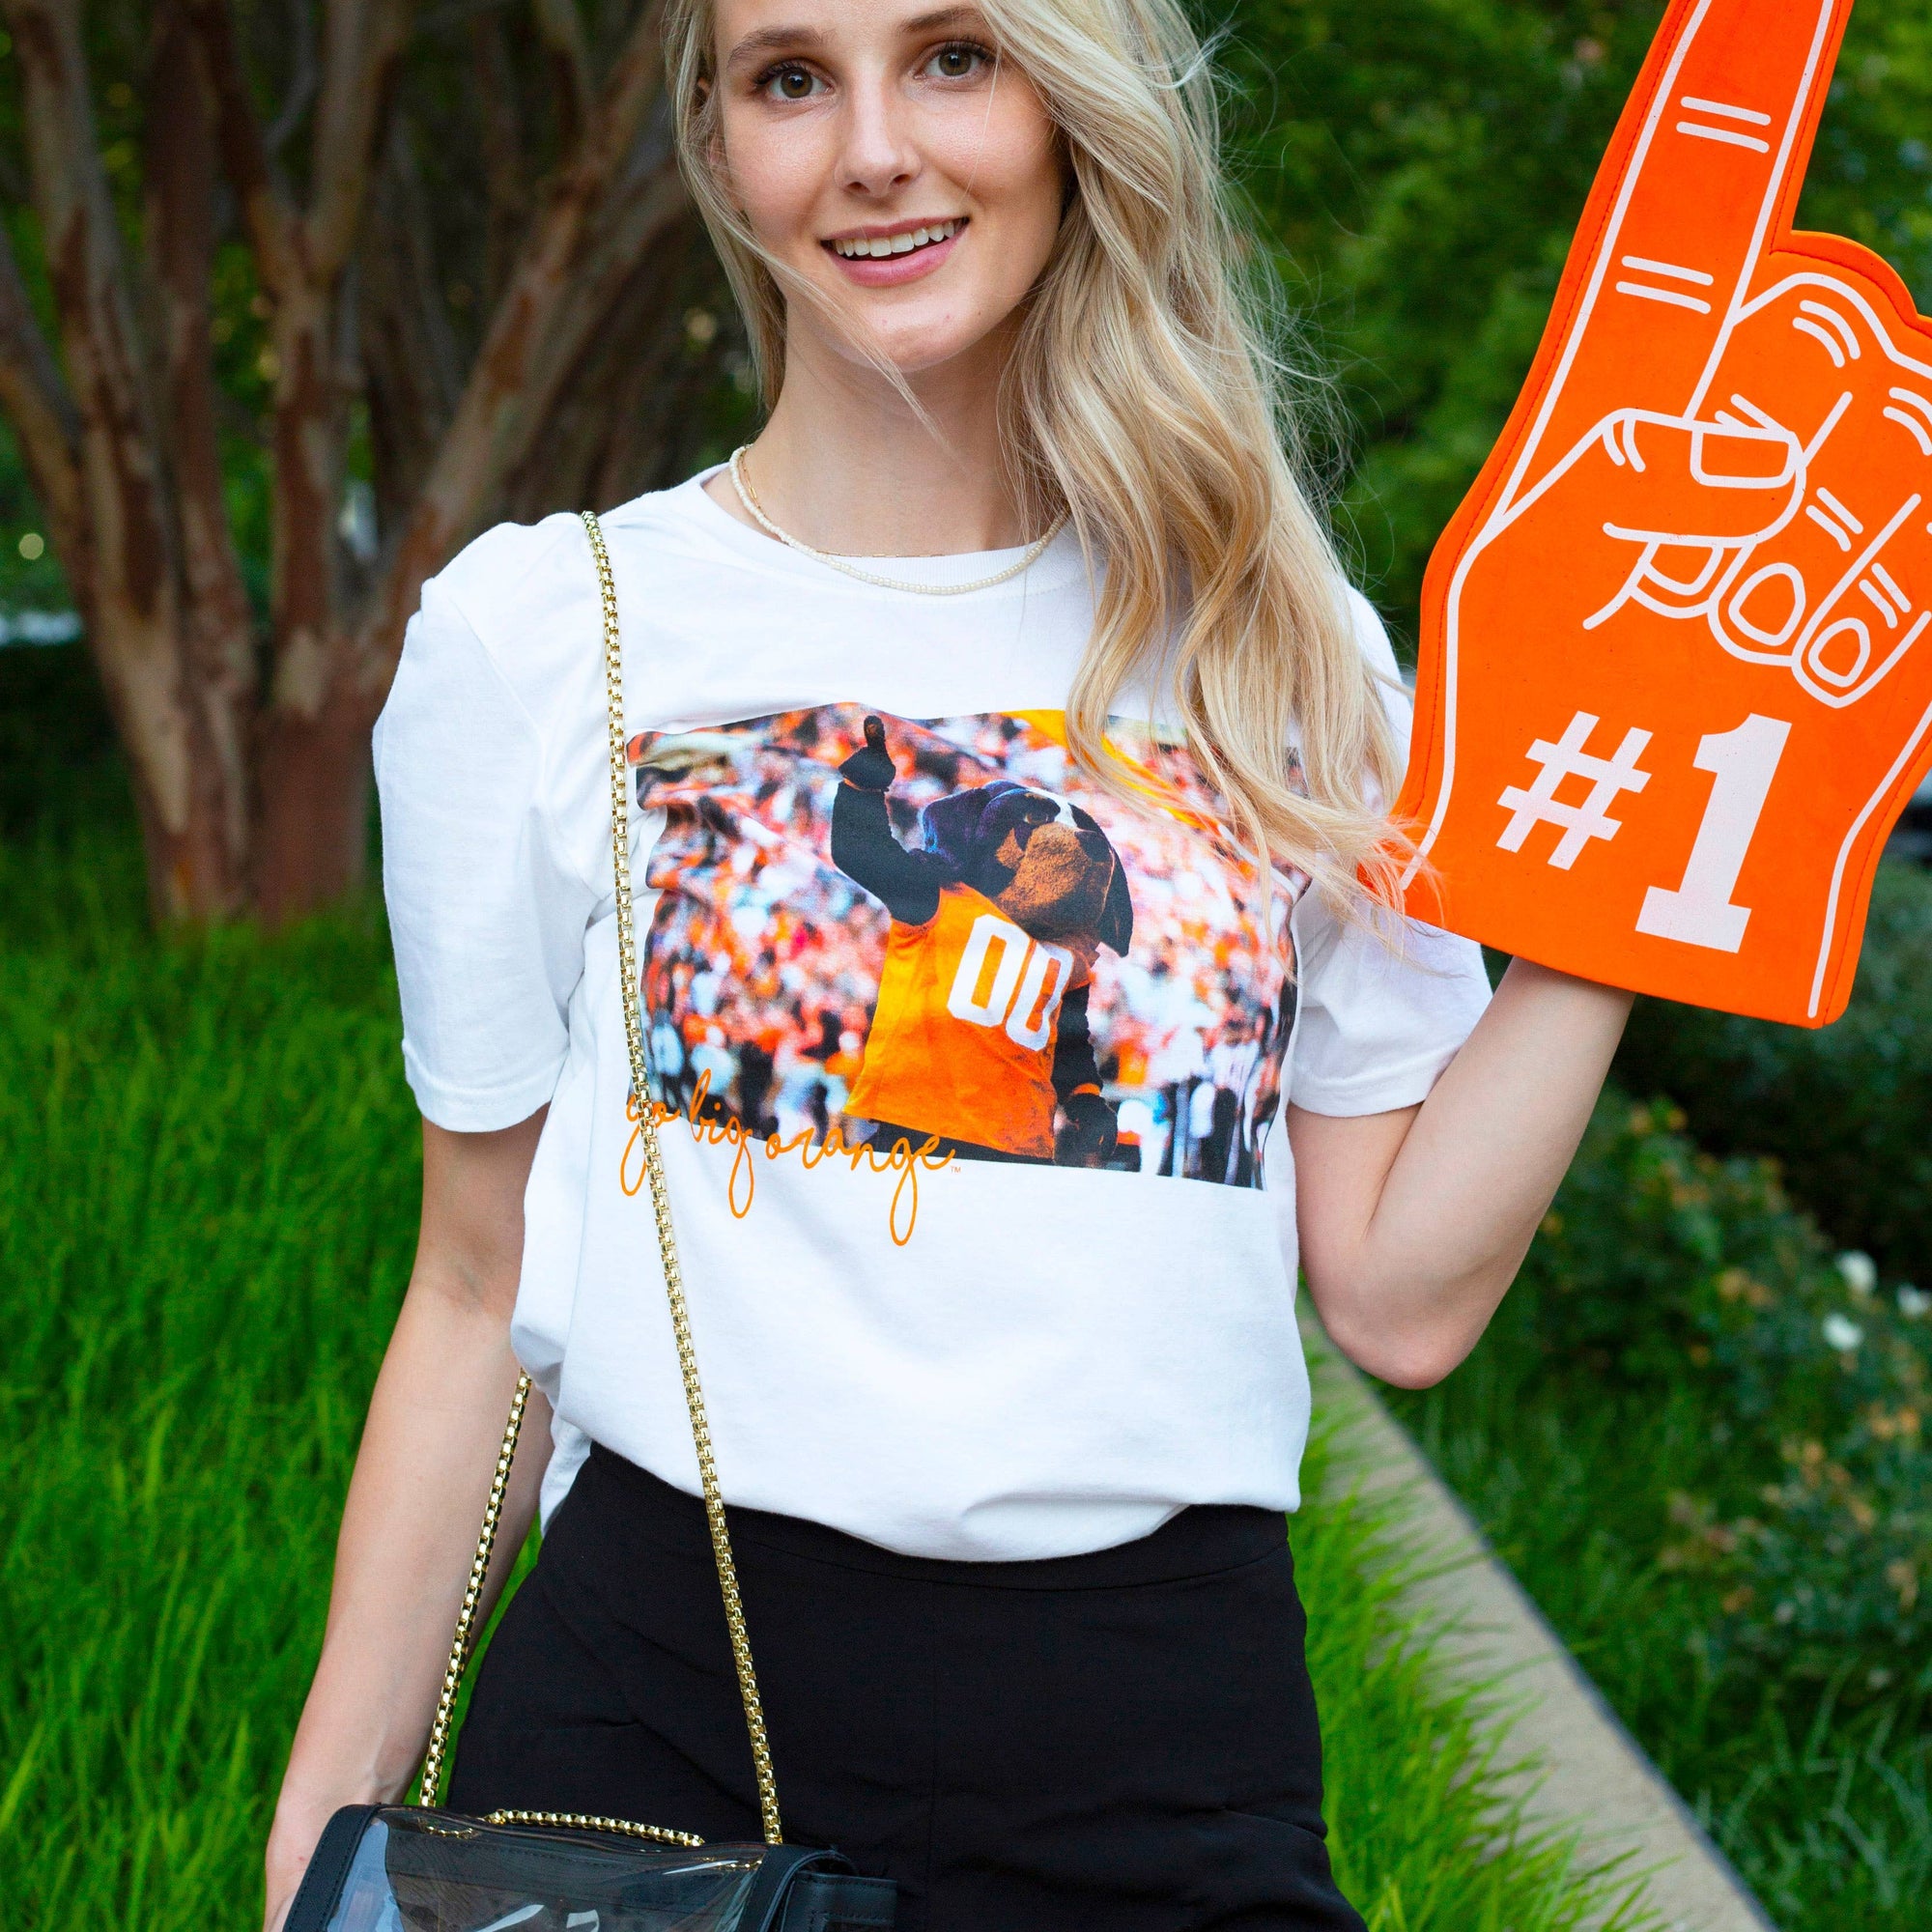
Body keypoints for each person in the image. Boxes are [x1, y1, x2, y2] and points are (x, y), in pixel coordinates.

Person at [262, 3, 1634, 1926]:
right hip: (661, 1721)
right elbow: (477, 1287)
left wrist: (1635, 901)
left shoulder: (1279, 644)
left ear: (1075, 105)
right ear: (721, 144)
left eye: (955, 57)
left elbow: (1401, 1298)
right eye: (790, 78)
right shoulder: (549, 632)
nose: (872, 150)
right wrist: (320, 1840)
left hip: (1162, 1743)